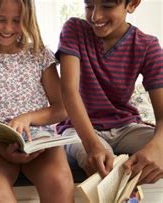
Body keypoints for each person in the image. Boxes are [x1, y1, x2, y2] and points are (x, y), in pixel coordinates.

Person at [0, 0, 74, 202]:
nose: (8, 28)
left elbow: (62, 108)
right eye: (0, 20)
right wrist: (4, 151)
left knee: (60, 183)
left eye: (17, 20)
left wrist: (27, 118)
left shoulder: (39, 55)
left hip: (39, 139)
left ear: (27, 20)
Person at [57, 0, 163, 184]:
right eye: (89, 6)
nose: (95, 16)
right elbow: (69, 92)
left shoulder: (147, 45)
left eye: (107, 6)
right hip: (78, 130)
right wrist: (93, 145)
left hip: (126, 127)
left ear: (132, 4)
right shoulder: (74, 30)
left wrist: (158, 147)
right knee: (104, 167)